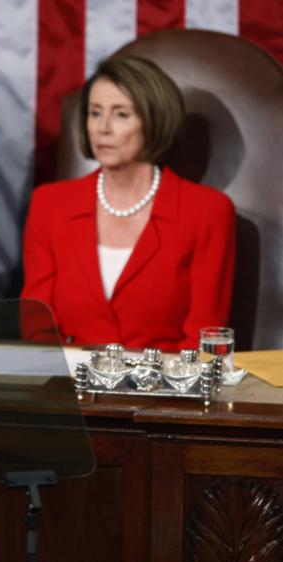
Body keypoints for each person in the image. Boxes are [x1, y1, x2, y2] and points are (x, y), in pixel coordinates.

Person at [21, 55, 235, 351]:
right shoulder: (49, 205)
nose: (103, 128)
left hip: (168, 391)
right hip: (70, 387)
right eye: (95, 113)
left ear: (154, 120)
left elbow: (205, 338)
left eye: (121, 114)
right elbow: (37, 325)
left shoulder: (207, 212)